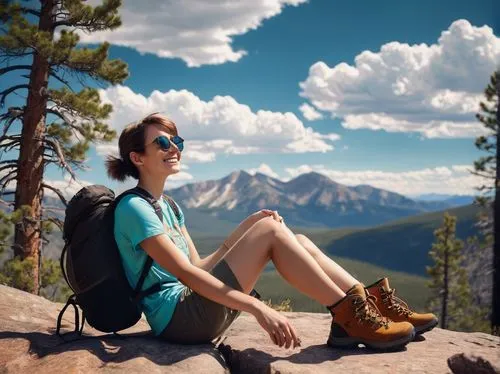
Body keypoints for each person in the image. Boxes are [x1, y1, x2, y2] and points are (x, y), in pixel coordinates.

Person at [105, 113, 438, 351]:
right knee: (271, 231)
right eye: (162, 142)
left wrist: (243, 229)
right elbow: (188, 276)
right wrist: (259, 308)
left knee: (297, 238)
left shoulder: (170, 206)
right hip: (180, 320)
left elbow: (200, 266)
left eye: (176, 140)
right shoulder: (134, 209)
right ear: (137, 157)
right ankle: (351, 316)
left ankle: (364, 305)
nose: (173, 147)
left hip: (195, 308)